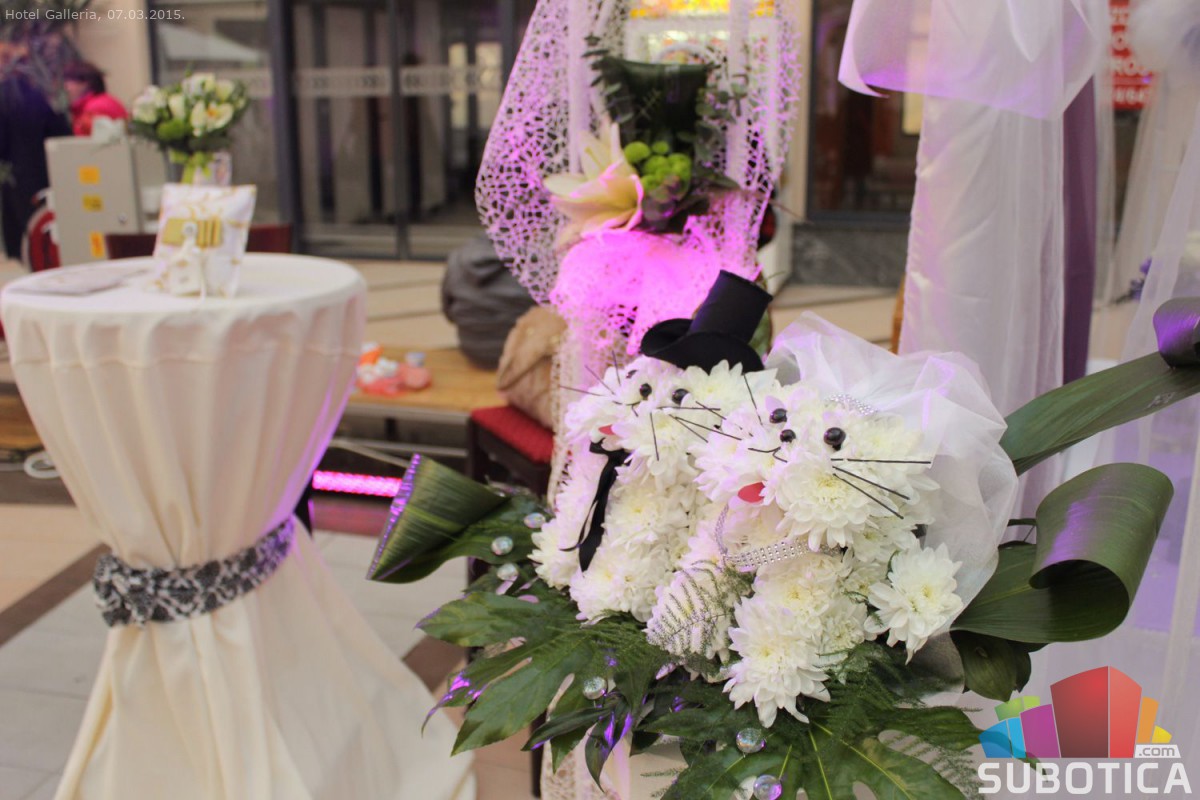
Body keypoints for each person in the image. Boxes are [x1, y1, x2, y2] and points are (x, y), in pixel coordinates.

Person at [0, 72, 71, 258]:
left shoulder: (5, 102)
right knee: (46, 225)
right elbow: (62, 133)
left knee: (26, 232)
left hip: (17, 175)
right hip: (47, 170)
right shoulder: (41, 100)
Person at [63, 61, 127, 136]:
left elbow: (86, 141)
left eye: (70, 82)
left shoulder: (95, 108)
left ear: (85, 83)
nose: (66, 87)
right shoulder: (102, 101)